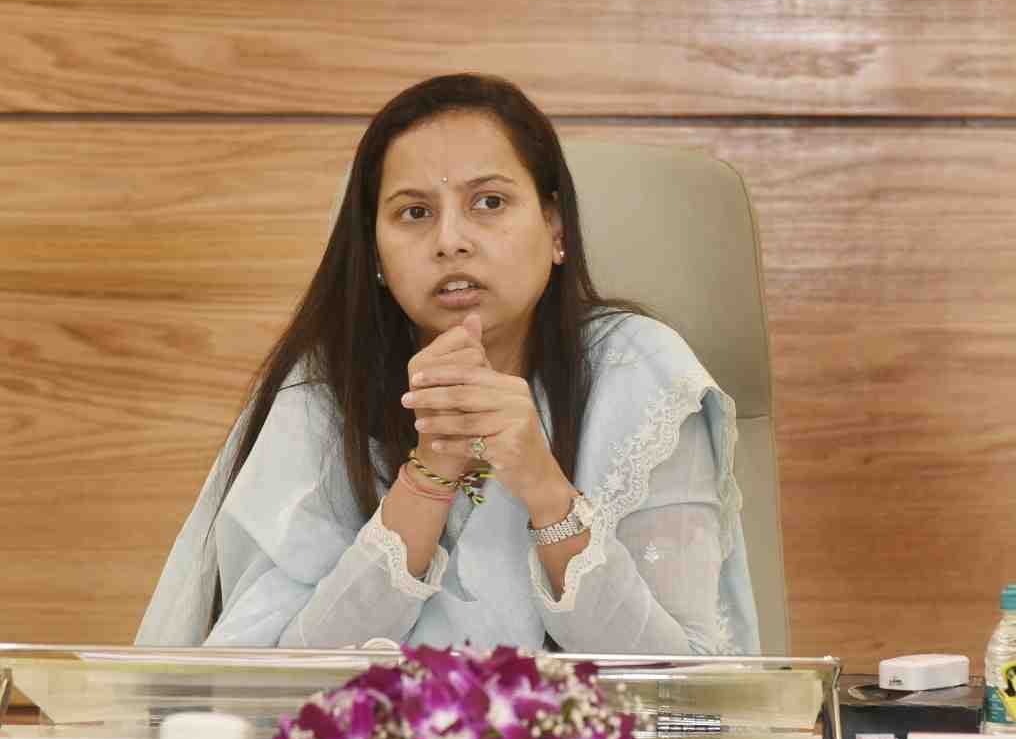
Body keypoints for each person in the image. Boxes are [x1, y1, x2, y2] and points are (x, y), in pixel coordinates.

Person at [136, 73, 759, 654]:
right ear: (375, 255)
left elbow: (690, 685)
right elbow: (274, 681)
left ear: (555, 227)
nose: (450, 241)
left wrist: (544, 488)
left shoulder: (643, 373)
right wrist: (429, 475)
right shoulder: (323, 392)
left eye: (489, 202)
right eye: (414, 212)